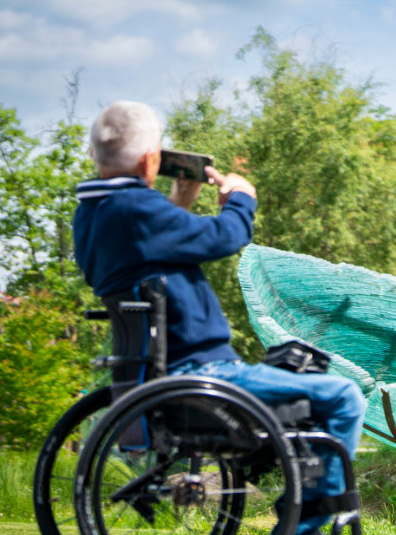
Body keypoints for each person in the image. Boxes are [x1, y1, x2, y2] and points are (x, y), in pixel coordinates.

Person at [73, 100, 366, 535]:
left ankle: (303, 499)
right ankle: (307, 519)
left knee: (302, 379)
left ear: (97, 156)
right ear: (150, 159)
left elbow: (151, 255)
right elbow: (224, 237)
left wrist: (180, 202)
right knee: (344, 397)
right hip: (204, 370)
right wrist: (241, 200)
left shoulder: (92, 215)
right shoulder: (136, 209)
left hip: (155, 370)